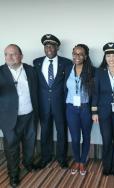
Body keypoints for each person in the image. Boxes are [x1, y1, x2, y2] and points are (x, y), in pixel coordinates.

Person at [0, 44, 38, 187]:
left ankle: (28, 163)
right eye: (6, 54)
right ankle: (14, 174)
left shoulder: (30, 70)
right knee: (12, 148)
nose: (9, 57)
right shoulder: (0, 72)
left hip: (29, 115)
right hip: (9, 118)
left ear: (21, 56)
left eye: (13, 54)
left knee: (30, 143)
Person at [33, 34, 71, 169]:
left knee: (62, 131)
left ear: (57, 47)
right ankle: (45, 157)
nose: (49, 48)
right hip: (43, 105)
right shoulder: (36, 62)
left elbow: (69, 85)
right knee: (45, 131)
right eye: (46, 46)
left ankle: (62, 158)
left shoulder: (66, 63)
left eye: (52, 45)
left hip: (60, 104)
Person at [92, 42, 114, 176]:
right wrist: (94, 111)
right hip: (103, 112)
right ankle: (107, 165)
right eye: (108, 55)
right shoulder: (99, 72)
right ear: (105, 57)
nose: (111, 58)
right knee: (106, 140)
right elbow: (95, 92)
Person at [65, 44, 95, 176]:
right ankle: (77, 160)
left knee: (86, 136)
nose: (77, 56)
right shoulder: (67, 69)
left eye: (80, 54)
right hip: (71, 107)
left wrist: (94, 110)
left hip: (85, 108)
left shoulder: (91, 71)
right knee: (75, 137)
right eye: (75, 53)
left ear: (85, 56)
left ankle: (83, 161)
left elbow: (95, 93)